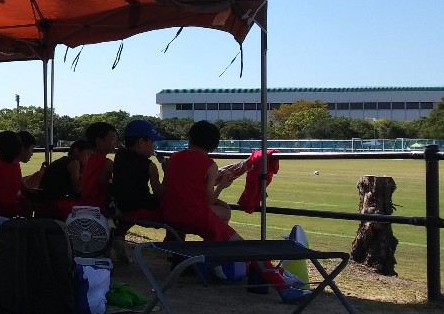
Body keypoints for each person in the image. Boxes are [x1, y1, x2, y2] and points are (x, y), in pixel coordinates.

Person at [161, 120, 308, 303]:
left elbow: (166, 190)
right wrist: (222, 186)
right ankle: (283, 288)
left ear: (189, 137)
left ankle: (213, 267)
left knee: (223, 219)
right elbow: (208, 201)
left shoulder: (174, 158)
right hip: (196, 217)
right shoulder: (209, 165)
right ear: (214, 146)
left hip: (172, 216)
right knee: (247, 248)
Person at [112, 119, 164, 225]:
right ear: (141, 142)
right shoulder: (150, 166)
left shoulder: (119, 156)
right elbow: (160, 195)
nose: (153, 146)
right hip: (141, 210)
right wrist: (167, 171)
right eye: (152, 142)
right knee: (175, 212)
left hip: (121, 207)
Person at [34, 139, 91, 218]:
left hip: (44, 204)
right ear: (77, 151)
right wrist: (87, 173)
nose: (89, 159)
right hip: (55, 207)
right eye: (88, 154)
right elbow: (77, 188)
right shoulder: (74, 163)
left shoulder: (63, 161)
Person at [80, 121, 117, 212]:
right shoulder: (107, 163)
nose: (115, 143)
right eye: (112, 139)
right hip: (98, 209)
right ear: (99, 141)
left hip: (85, 206)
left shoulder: (90, 159)